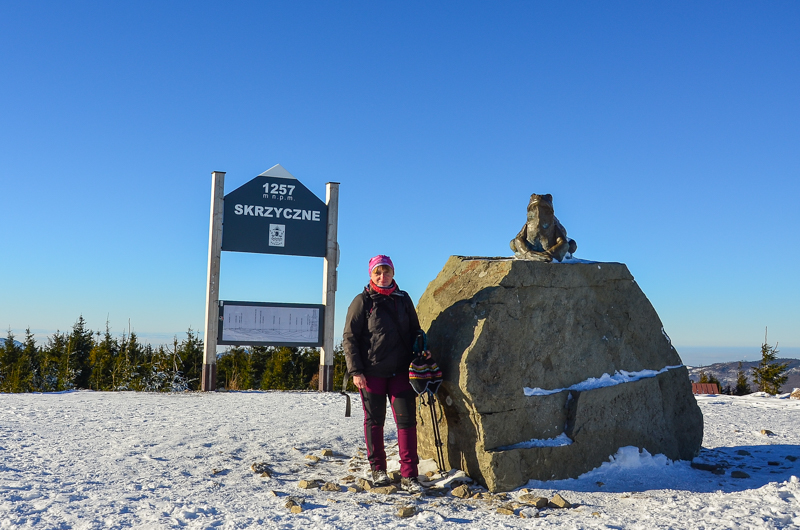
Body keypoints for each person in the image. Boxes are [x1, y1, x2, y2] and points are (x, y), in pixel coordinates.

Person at [343, 255, 427, 494]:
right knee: (374, 422)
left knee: (407, 423)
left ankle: (410, 475)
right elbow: (350, 338)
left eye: (386, 272)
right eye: (378, 272)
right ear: (371, 274)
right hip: (371, 373)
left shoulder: (403, 299)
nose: (383, 276)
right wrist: (356, 371)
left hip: (401, 371)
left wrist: (422, 348)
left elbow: (414, 331)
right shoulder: (362, 301)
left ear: (393, 273)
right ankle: (378, 470)